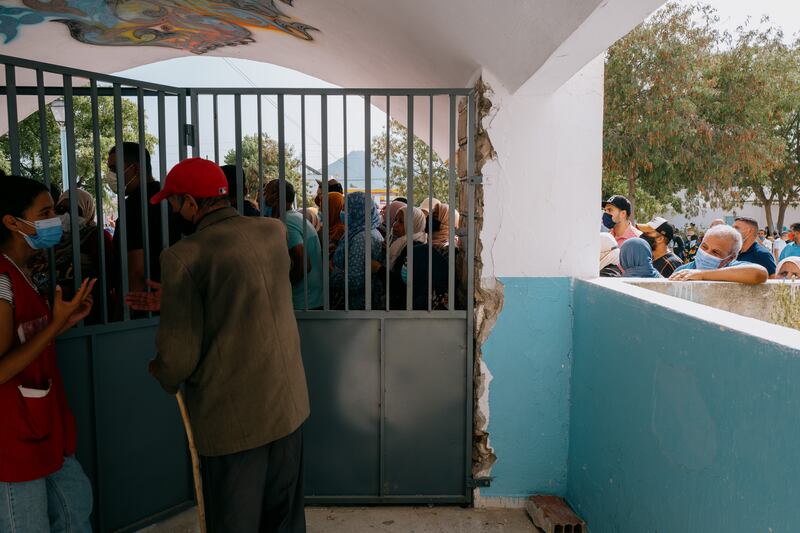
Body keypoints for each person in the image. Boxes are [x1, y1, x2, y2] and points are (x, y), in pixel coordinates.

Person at [126, 158, 309, 532]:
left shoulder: (183, 256)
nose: (175, 210)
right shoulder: (271, 232)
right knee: (284, 519)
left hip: (234, 419)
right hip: (287, 405)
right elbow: (249, 294)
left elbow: (178, 355)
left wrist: (162, 371)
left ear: (192, 203)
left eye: (176, 203)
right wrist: (185, 297)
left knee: (234, 521)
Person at [0, 175, 96, 532]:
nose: (56, 219)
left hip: (44, 426)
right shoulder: (2, 278)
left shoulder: (20, 272)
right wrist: (55, 326)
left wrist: (64, 321)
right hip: (13, 437)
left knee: (75, 511)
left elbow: (24, 337)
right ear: (12, 221)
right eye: (46, 212)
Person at [107, 142, 180, 317]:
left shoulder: (134, 205)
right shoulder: (169, 198)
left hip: (143, 305)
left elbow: (136, 269)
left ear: (136, 168)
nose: (110, 175)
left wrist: (125, 316)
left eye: (115, 169)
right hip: (172, 300)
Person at [51, 189, 112, 324]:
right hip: (56, 313)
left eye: (75, 211)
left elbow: (109, 274)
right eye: (61, 209)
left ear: (87, 212)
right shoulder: (50, 239)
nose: (66, 215)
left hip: (91, 311)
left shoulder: (98, 237)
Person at [264, 179, 324, 310]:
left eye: (265, 192)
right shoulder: (297, 217)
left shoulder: (286, 222)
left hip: (302, 302)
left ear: (276, 196)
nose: (263, 198)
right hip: (313, 298)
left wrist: (281, 286)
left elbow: (303, 263)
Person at [331, 192, 385, 310]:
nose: (342, 212)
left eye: (346, 208)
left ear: (357, 211)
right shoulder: (366, 230)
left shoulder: (362, 238)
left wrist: (334, 273)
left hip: (357, 307)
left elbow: (355, 282)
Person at [388, 206, 449, 309]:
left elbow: (401, 284)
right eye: (395, 220)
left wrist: (379, 268)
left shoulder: (414, 247)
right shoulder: (400, 244)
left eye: (401, 222)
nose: (395, 225)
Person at [670, 224, 768, 285]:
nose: (706, 254)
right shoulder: (682, 271)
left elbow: (759, 274)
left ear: (730, 258)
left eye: (715, 252)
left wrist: (701, 274)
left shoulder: (734, 268)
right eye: (704, 247)